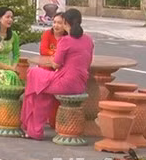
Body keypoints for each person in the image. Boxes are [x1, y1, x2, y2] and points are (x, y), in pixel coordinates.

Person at [20, 8, 94, 140]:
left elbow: (56, 64)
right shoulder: (88, 40)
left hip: (65, 83)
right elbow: (87, 63)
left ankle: (32, 129)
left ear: (65, 23)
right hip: (80, 84)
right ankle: (33, 128)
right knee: (40, 88)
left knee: (33, 74)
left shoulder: (65, 41)